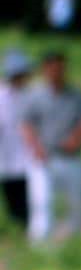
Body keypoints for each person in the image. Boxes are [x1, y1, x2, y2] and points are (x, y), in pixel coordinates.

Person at [21, 51, 81, 242]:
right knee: (42, 202)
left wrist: (76, 139)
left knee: (77, 201)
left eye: (60, 67)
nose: (57, 71)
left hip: (71, 156)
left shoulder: (76, 95)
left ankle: (78, 238)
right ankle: (40, 242)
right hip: (44, 157)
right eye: (52, 67)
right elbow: (26, 124)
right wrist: (35, 147)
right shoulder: (35, 95)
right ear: (45, 69)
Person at [0, 50, 34, 229]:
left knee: (30, 200)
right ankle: (17, 230)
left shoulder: (30, 95)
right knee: (13, 200)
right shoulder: (1, 95)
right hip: (6, 156)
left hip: (28, 156)